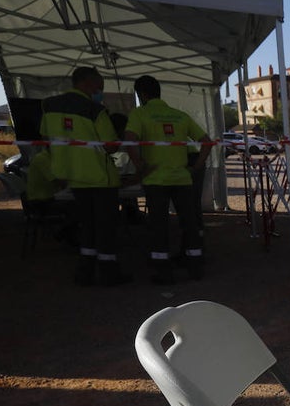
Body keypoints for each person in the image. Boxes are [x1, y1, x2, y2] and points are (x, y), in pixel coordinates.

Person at [41, 66, 129, 286]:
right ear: (87, 83)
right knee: (105, 228)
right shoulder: (95, 109)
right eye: (99, 87)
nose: (99, 91)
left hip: (74, 177)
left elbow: (46, 138)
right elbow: (110, 145)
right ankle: (109, 273)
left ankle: (85, 272)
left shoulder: (49, 106)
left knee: (87, 227)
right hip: (100, 177)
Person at [124, 75, 212, 284]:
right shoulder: (179, 115)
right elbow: (207, 142)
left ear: (141, 95)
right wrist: (196, 167)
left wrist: (139, 165)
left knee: (159, 226)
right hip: (182, 179)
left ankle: (163, 271)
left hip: (156, 180)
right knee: (189, 224)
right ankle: (195, 268)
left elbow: (129, 140)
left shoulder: (140, 114)